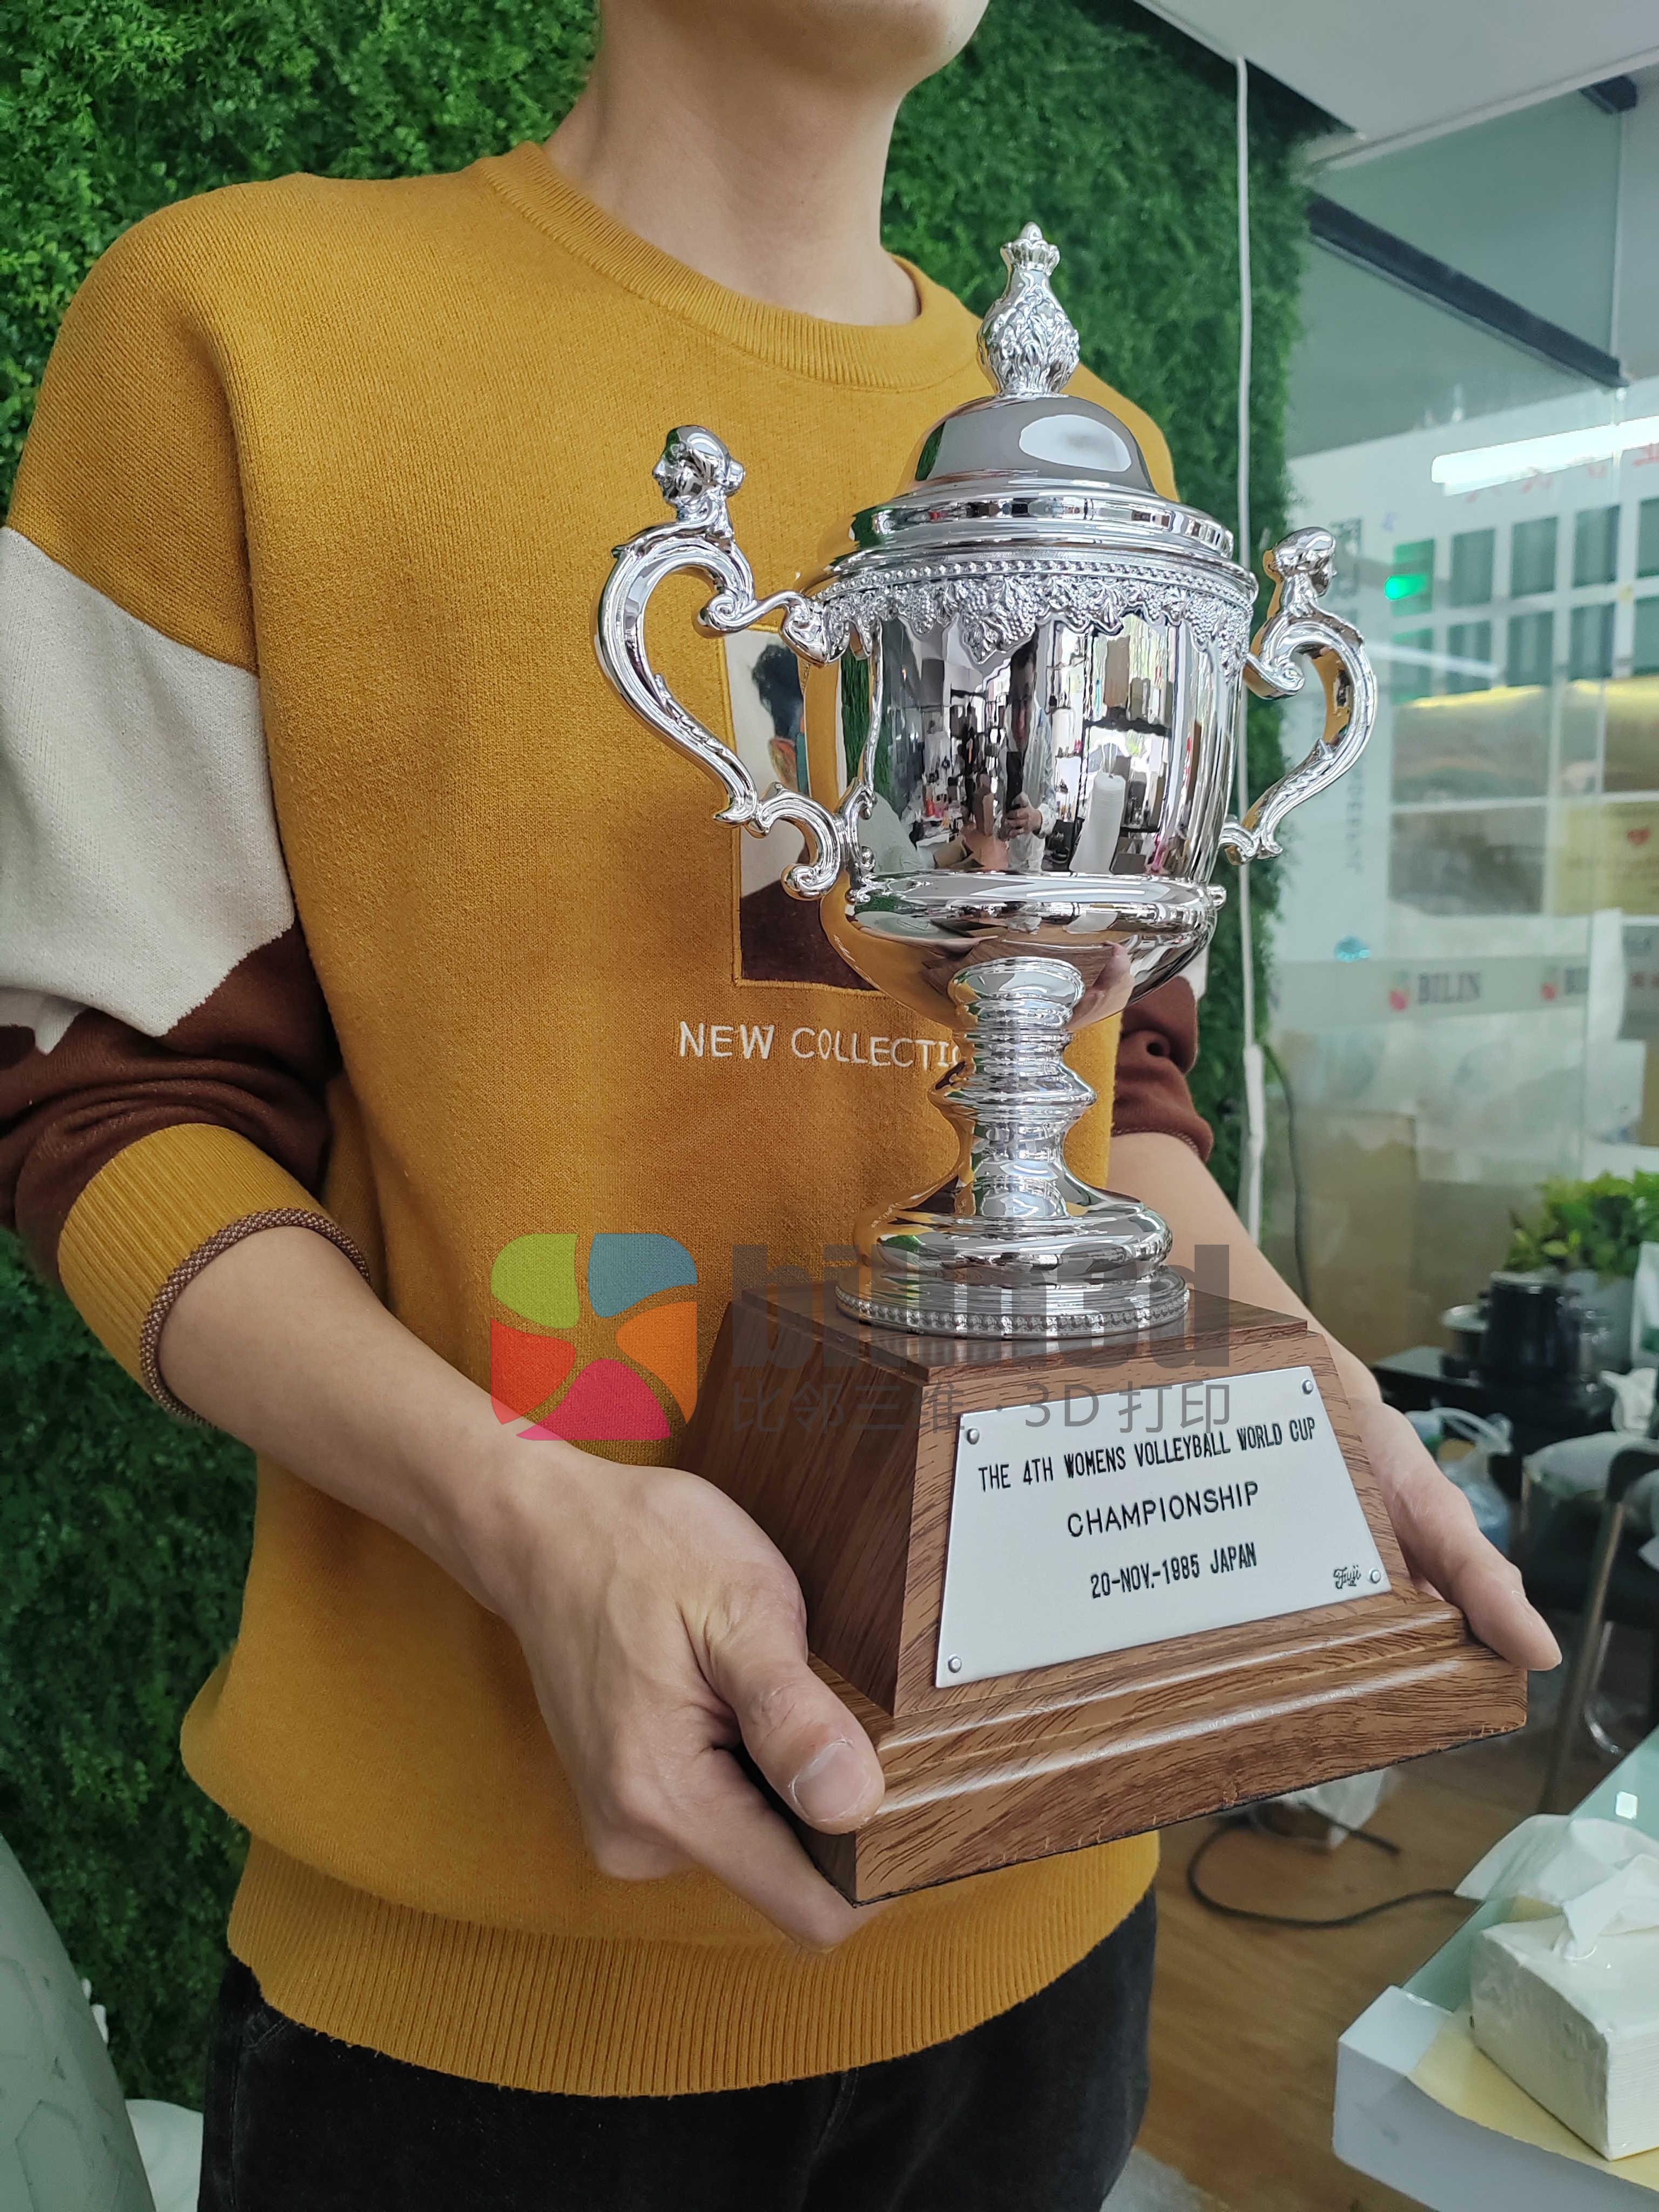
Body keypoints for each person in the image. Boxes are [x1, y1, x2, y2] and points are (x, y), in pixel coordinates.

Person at [0, 1, 1558, 2206]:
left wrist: (1295, 1384)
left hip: (1050, 1898)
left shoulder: (1097, 444)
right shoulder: (244, 323)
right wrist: (525, 1517)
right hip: (491, 1990)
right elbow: (113, 1095)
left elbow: (1118, 1079)